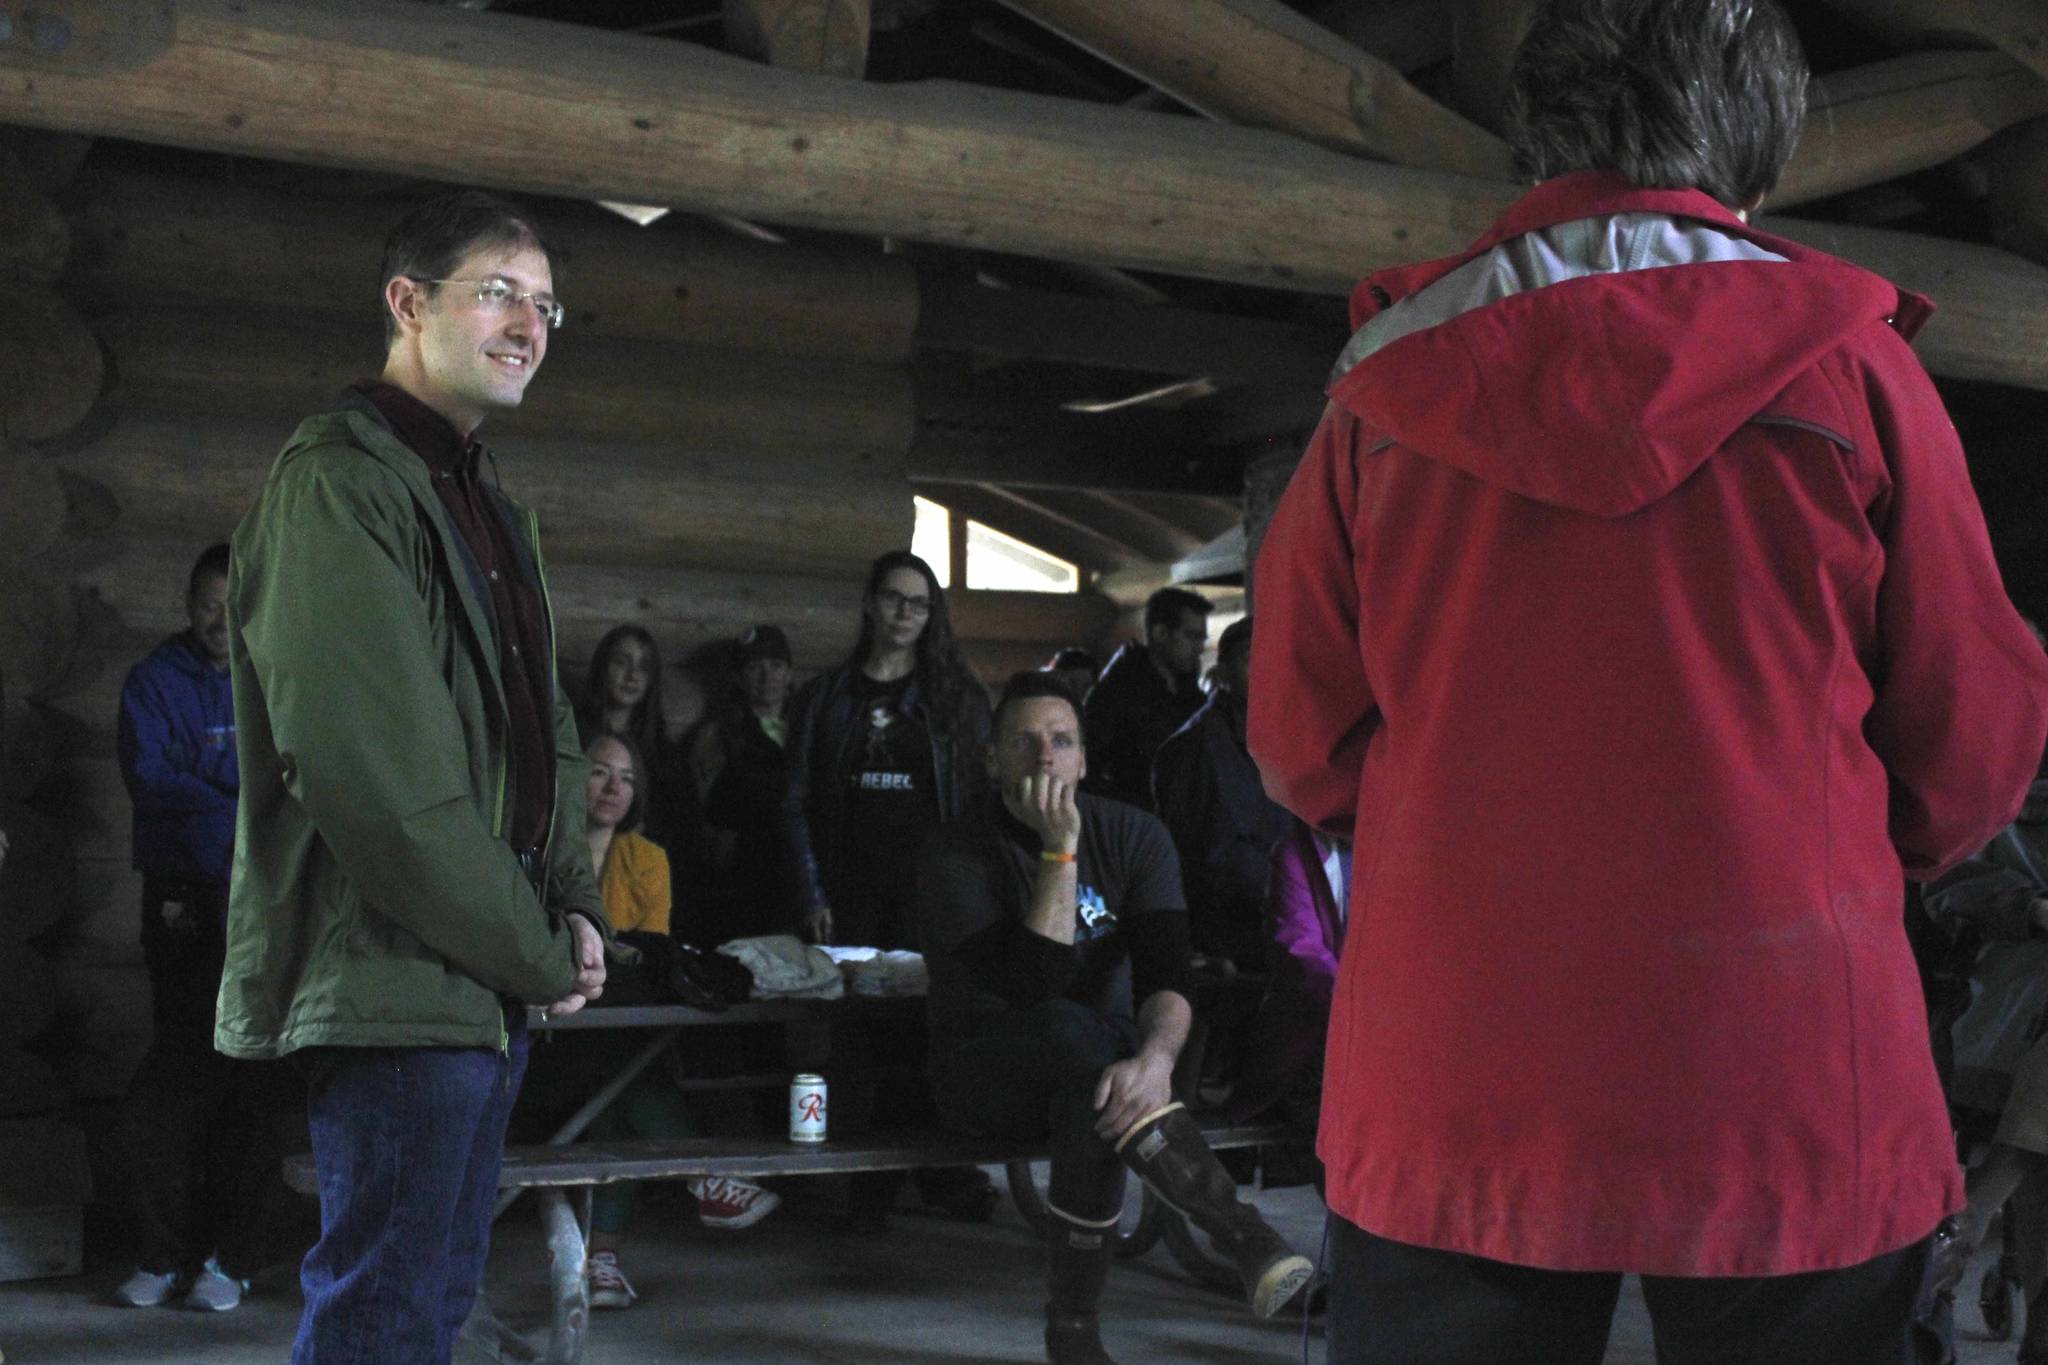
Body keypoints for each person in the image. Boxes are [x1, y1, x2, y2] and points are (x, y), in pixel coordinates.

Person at [1248, 2, 2048, 1361]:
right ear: (1761, 131)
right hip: (1786, 1043)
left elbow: (1300, 740)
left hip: (1460, 1048)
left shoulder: (1381, 389)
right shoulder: (1851, 369)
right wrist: (1838, 850)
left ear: (1545, 122)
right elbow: (1971, 737)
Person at [215, 190, 610, 1365]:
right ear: (406, 304)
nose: (528, 324)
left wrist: (576, 897)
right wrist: (536, 949)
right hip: (396, 980)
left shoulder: (482, 500)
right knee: (383, 1317)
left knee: (434, 1307)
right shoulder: (338, 486)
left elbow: (549, 729)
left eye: (545, 305)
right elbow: (378, 786)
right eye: (498, 292)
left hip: (477, 983)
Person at [920, 671, 1313, 1364]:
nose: (1046, 756)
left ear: (1084, 759)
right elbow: (1032, 984)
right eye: (1025, 741)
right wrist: (1060, 850)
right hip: (982, 1069)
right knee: (1066, 1032)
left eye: (1062, 740)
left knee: (1098, 1091)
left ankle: (1074, 1337)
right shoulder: (953, 850)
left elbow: (1169, 976)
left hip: (1100, 1077)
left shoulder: (1137, 835)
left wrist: (1155, 1062)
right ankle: (1242, 1234)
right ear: (991, 760)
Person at [111, 543, 278, 1312]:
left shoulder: (272, 681)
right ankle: (162, 1252)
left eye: (233, 602)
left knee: (251, 1080)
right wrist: (236, 794)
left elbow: (287, 786)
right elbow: (152, 780)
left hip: (261, 908)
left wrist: (213, 787)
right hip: (180, 906)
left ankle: (229, 1259)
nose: (220, 618)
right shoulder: (152, 681)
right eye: (208, 602)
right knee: (176, 1080)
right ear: (188, 602)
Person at [577, 732, 778, 1312]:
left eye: (628, 777)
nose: (615, 787)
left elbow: (651, 954)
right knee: (626, 1081)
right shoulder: (541, 852)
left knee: (620, 1085)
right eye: (600, 773)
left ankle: (602, 1260)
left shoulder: (647, 859)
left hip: (618, 1023)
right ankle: (703, 1178)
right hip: (549, 1032)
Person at [1151, 617, 1291, 969]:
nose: (1265, 670)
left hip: (1288, 922)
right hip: (1226, 937)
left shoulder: (1289, 736)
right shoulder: (1192, 750)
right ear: (1225, 673)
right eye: (1251, 659)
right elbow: (1182, 857)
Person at [679, 623, 795, 944]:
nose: (766, 676)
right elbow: (698, 811)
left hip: (794, 874)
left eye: (776, 665)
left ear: (789, 673)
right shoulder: (716, 737)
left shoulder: (806, 730)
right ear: (738, 676)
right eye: (755, 666)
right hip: (738, 879)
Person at [1083, 587, 1209, 811]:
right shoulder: (1115, 694)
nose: (1200, 648)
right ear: (1161, 634)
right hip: (1139, 824)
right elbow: (1088, 769)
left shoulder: (1191, 694)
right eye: (1191, 636)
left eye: (1202, 638)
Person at [575, 625, 679, 847]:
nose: (632, 675)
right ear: (602, 667)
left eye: (643, 667)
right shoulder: (571, 737)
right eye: (621, 663)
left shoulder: (664, 754)